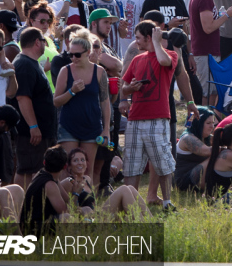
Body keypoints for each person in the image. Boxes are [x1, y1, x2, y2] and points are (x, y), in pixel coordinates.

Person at [119, 21, 178, 211]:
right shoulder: (137, 59)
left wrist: (156, 42)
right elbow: (124, 85)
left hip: (158, 117)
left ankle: (168, 202)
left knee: (163, 161)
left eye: (138, 38)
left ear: (149, 37)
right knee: (131, 163)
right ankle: (131, 204)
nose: (136, 43)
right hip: (135, 118)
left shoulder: (170, 54)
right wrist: (130, 89)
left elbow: (163, 62)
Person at [53, 28, 110, 178]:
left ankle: (87, 201)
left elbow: (105, 102)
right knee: (68, 168)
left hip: (91, 126)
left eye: (77, 55)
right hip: (68, 126)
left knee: (86, 169)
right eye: (71, 54)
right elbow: (56, 101)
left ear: (88, 52)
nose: (73, 58)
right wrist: (71, 91)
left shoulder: (99, 72)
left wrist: (106, 130)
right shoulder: (65, 71)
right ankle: (68, 201)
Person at [12, 27, 58, 189]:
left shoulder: (32, 63)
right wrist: (33, 126)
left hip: (41, 131)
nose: (46, 45)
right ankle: (18, 207)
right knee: (27, 170)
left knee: (39, 169)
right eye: (44, 41)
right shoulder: (24, 64)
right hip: (30, 133)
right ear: (37, 42)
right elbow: (22, 97)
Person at [60, 147, 144, 217]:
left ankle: (150, 222)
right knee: (124, 189)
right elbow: (66, 209)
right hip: (87, 220)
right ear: (70, 166)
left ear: (86, 163)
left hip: (95, 214)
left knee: (130, 188)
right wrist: (76, 194)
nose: (80, 163)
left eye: (82, 160)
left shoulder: (87, 179)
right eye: (75, 160)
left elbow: (92, 203)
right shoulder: (69, 182)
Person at [20, 145, 71, 232]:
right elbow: (65, 211)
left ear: (44, 162)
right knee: (66, 218)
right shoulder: (50, 184)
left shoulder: (43, 174)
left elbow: (67, 200)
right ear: (65, 167)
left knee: (85, 210)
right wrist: (76, 194)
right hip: (33, 228)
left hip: (37, 222)